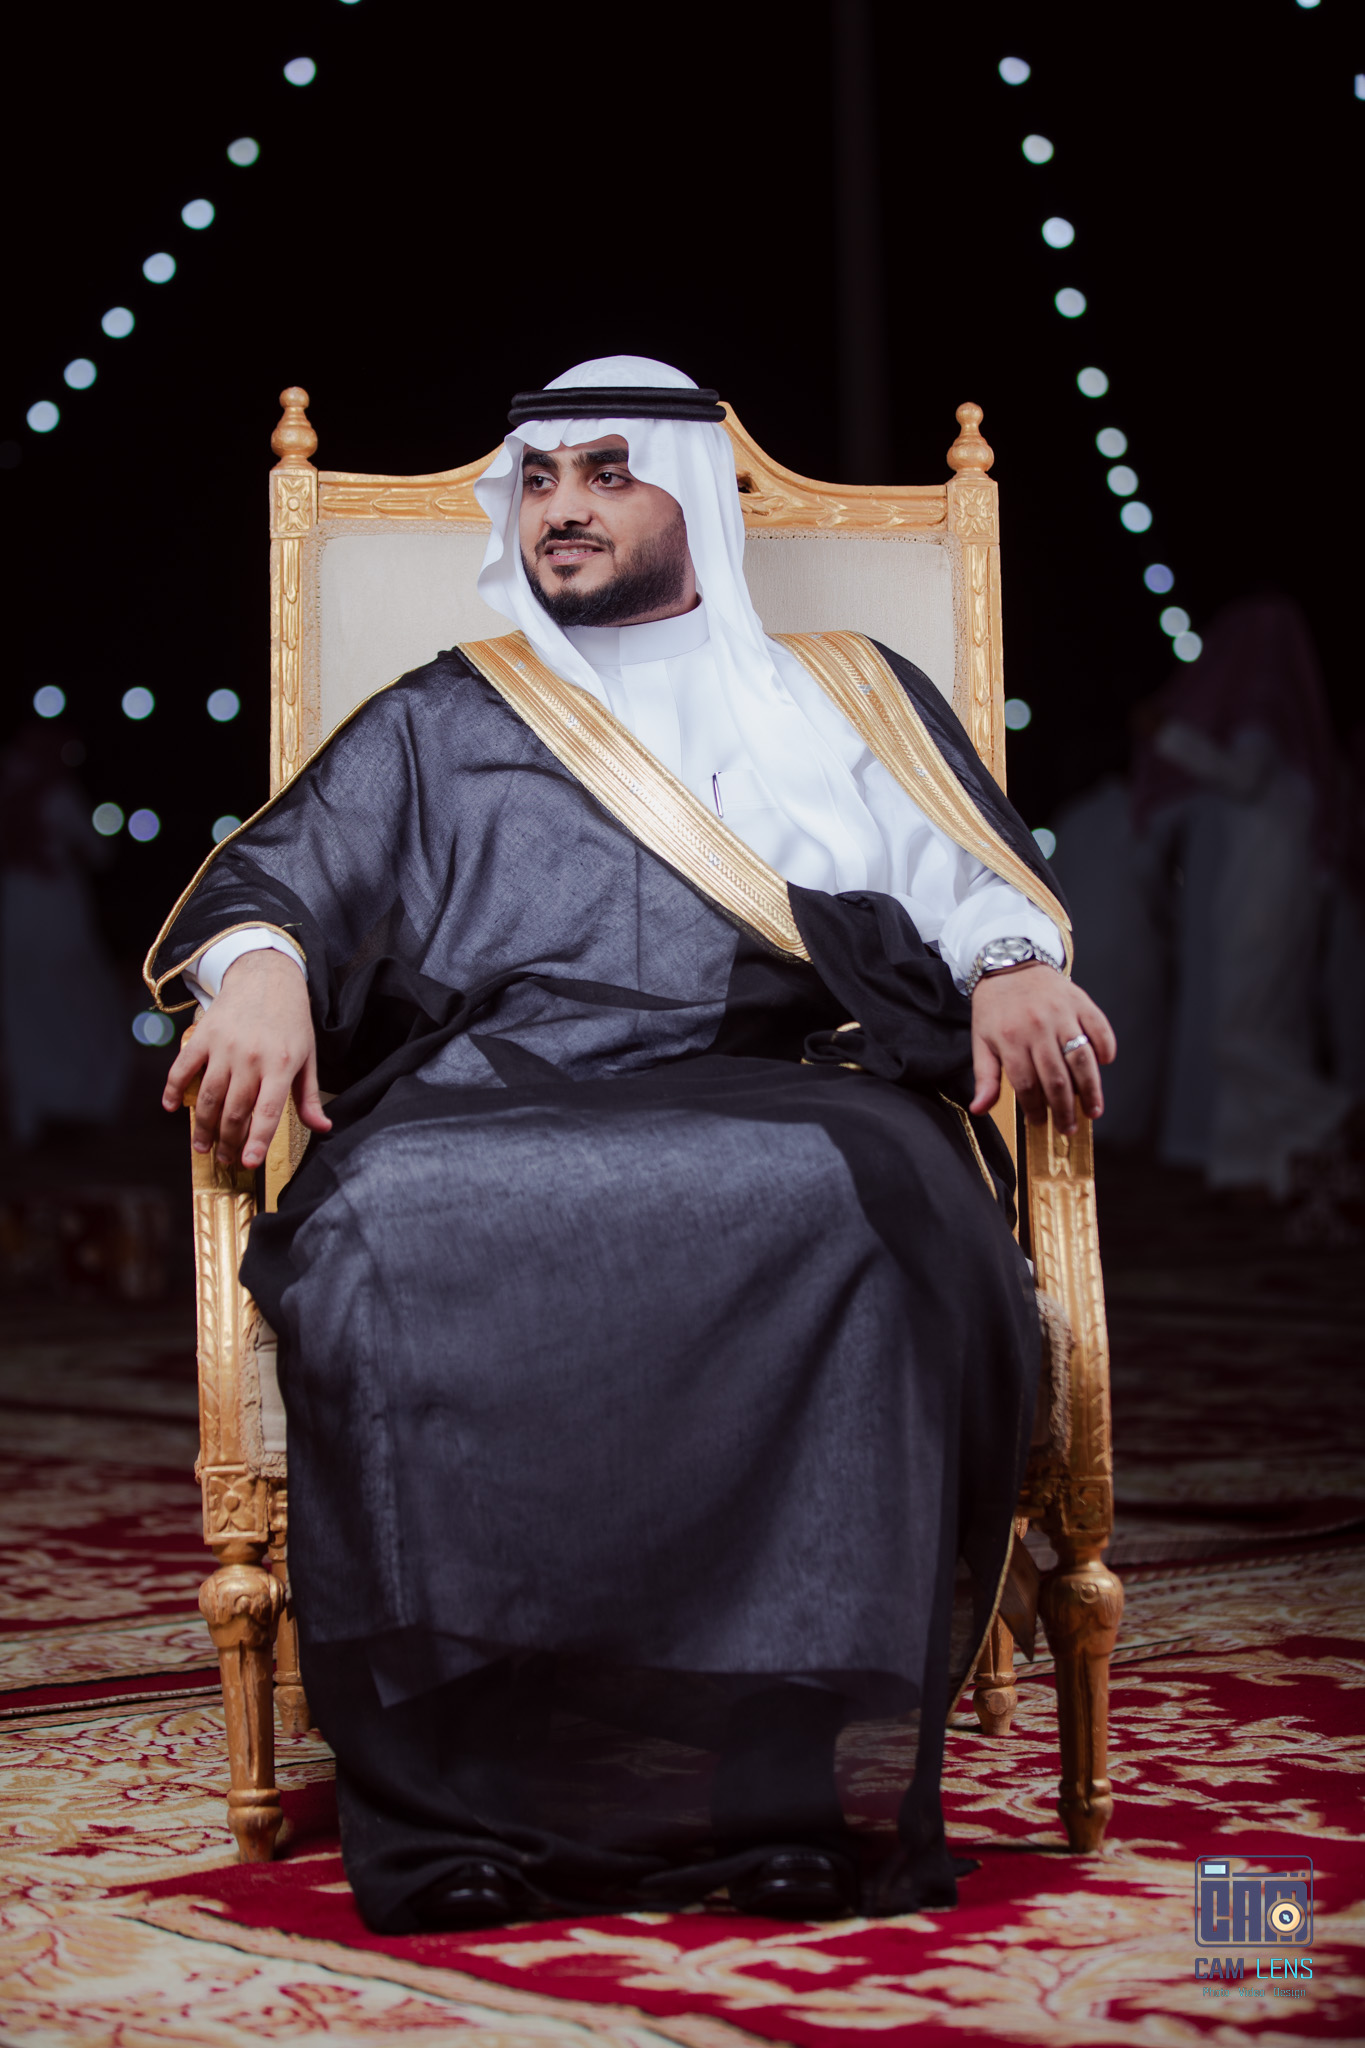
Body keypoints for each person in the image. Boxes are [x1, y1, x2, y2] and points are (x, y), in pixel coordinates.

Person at [148, 357, 1115, 1928]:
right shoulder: (447, 712)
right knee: (391, 1215)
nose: (564, 507)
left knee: (859, 1204)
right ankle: (463, 1793)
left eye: (607, 471)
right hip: (497, 1091)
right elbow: (275, 882)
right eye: (539, 479)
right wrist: (258, 974)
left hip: (786, 1085)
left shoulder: (843, 692)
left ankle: (790, 1783)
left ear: (699, 498)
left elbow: (971, 884)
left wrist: (1010, 966)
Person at [1, 722, 129, 1145]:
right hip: (45, 905)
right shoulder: (55, 792)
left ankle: (46, 1108)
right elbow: (98, 849)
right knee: (68, 995)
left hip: (28, 906)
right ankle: (73, 1102)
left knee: (33, 1001)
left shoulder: (38, 790)